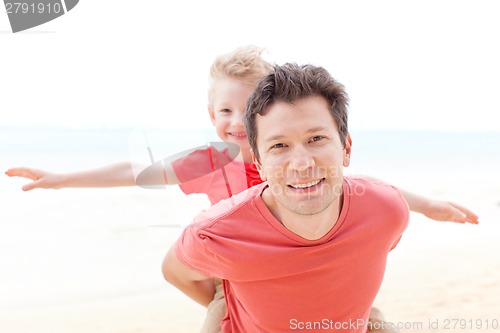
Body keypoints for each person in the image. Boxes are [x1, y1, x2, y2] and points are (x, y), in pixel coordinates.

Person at [5, 47, 478, 333]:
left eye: (245, 108)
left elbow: (370, 189)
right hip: (234, 272)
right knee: (220, 317)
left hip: (322, 275)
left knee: (361, 311)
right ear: (212, 115)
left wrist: (429, 204)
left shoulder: (309, 160)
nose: (233, 123)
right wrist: (63, 178)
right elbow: (140, 171)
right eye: (224, 112)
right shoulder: (213, 159)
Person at [161, 62, 475, 332]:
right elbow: (177, 273)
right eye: (279, 146)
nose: (302, 164)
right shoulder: (215, 235)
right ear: (259, 163)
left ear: (346, 147)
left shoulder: (387, 212)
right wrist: (234, 301)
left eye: (316, 138)